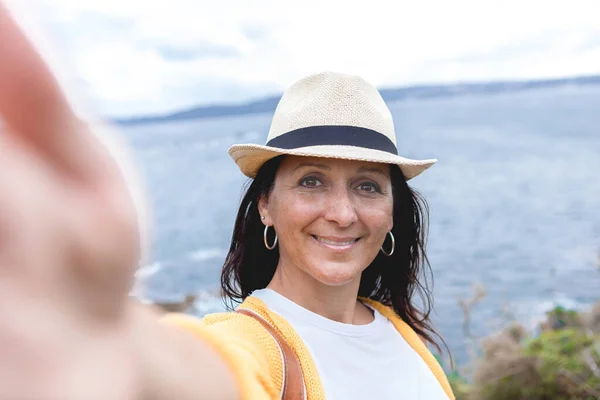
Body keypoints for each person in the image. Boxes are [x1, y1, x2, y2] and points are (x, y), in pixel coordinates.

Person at [0, 3, 453, 399]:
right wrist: (105, 342)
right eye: (311, 181)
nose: (341, 213)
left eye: (368, 185)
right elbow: (202, 371)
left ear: (394, 210)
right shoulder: (256, 344)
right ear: (265, 206)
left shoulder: (396, 330)